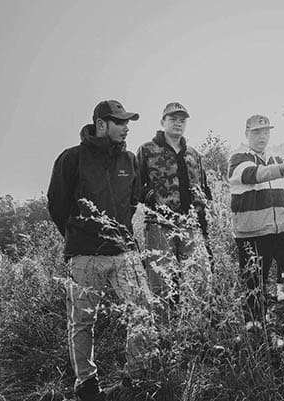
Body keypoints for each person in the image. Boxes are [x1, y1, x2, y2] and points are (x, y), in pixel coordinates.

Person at [47, 100, 153, 401]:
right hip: (85, 255)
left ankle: (135, 379)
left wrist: (123, 235)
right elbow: (57, 204)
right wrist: (77, 238)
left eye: (127, 122)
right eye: (119, 122)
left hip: (124, 252)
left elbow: (132, 202)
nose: (126, 127)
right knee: (82, 321)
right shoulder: (72, 158)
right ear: (101, 124)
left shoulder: (129, 160)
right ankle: (87, 386)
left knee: (143, 310)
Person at [228, 114, 284, 328]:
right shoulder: (238, 159)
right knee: (254, 279)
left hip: (282, 229)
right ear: (246, 134)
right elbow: (252, 175)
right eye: (257, 132)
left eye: (266, 132)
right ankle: (255, 324)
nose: (262, 136)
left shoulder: (277, 159)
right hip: (253, 232)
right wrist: (281, 170)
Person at [136, 102, 212, 295]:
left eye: (182, 120)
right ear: (163, 122)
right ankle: (165, 316)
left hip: (191, 225)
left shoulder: (193, 154)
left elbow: (203, 189)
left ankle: (195, 316)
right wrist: (150, 196)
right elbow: (134, 186)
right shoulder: (147, 150)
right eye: (173, 119)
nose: (178, 123)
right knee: (162, 284)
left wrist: (203, 221)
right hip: (159, 225)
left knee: (200, 281)